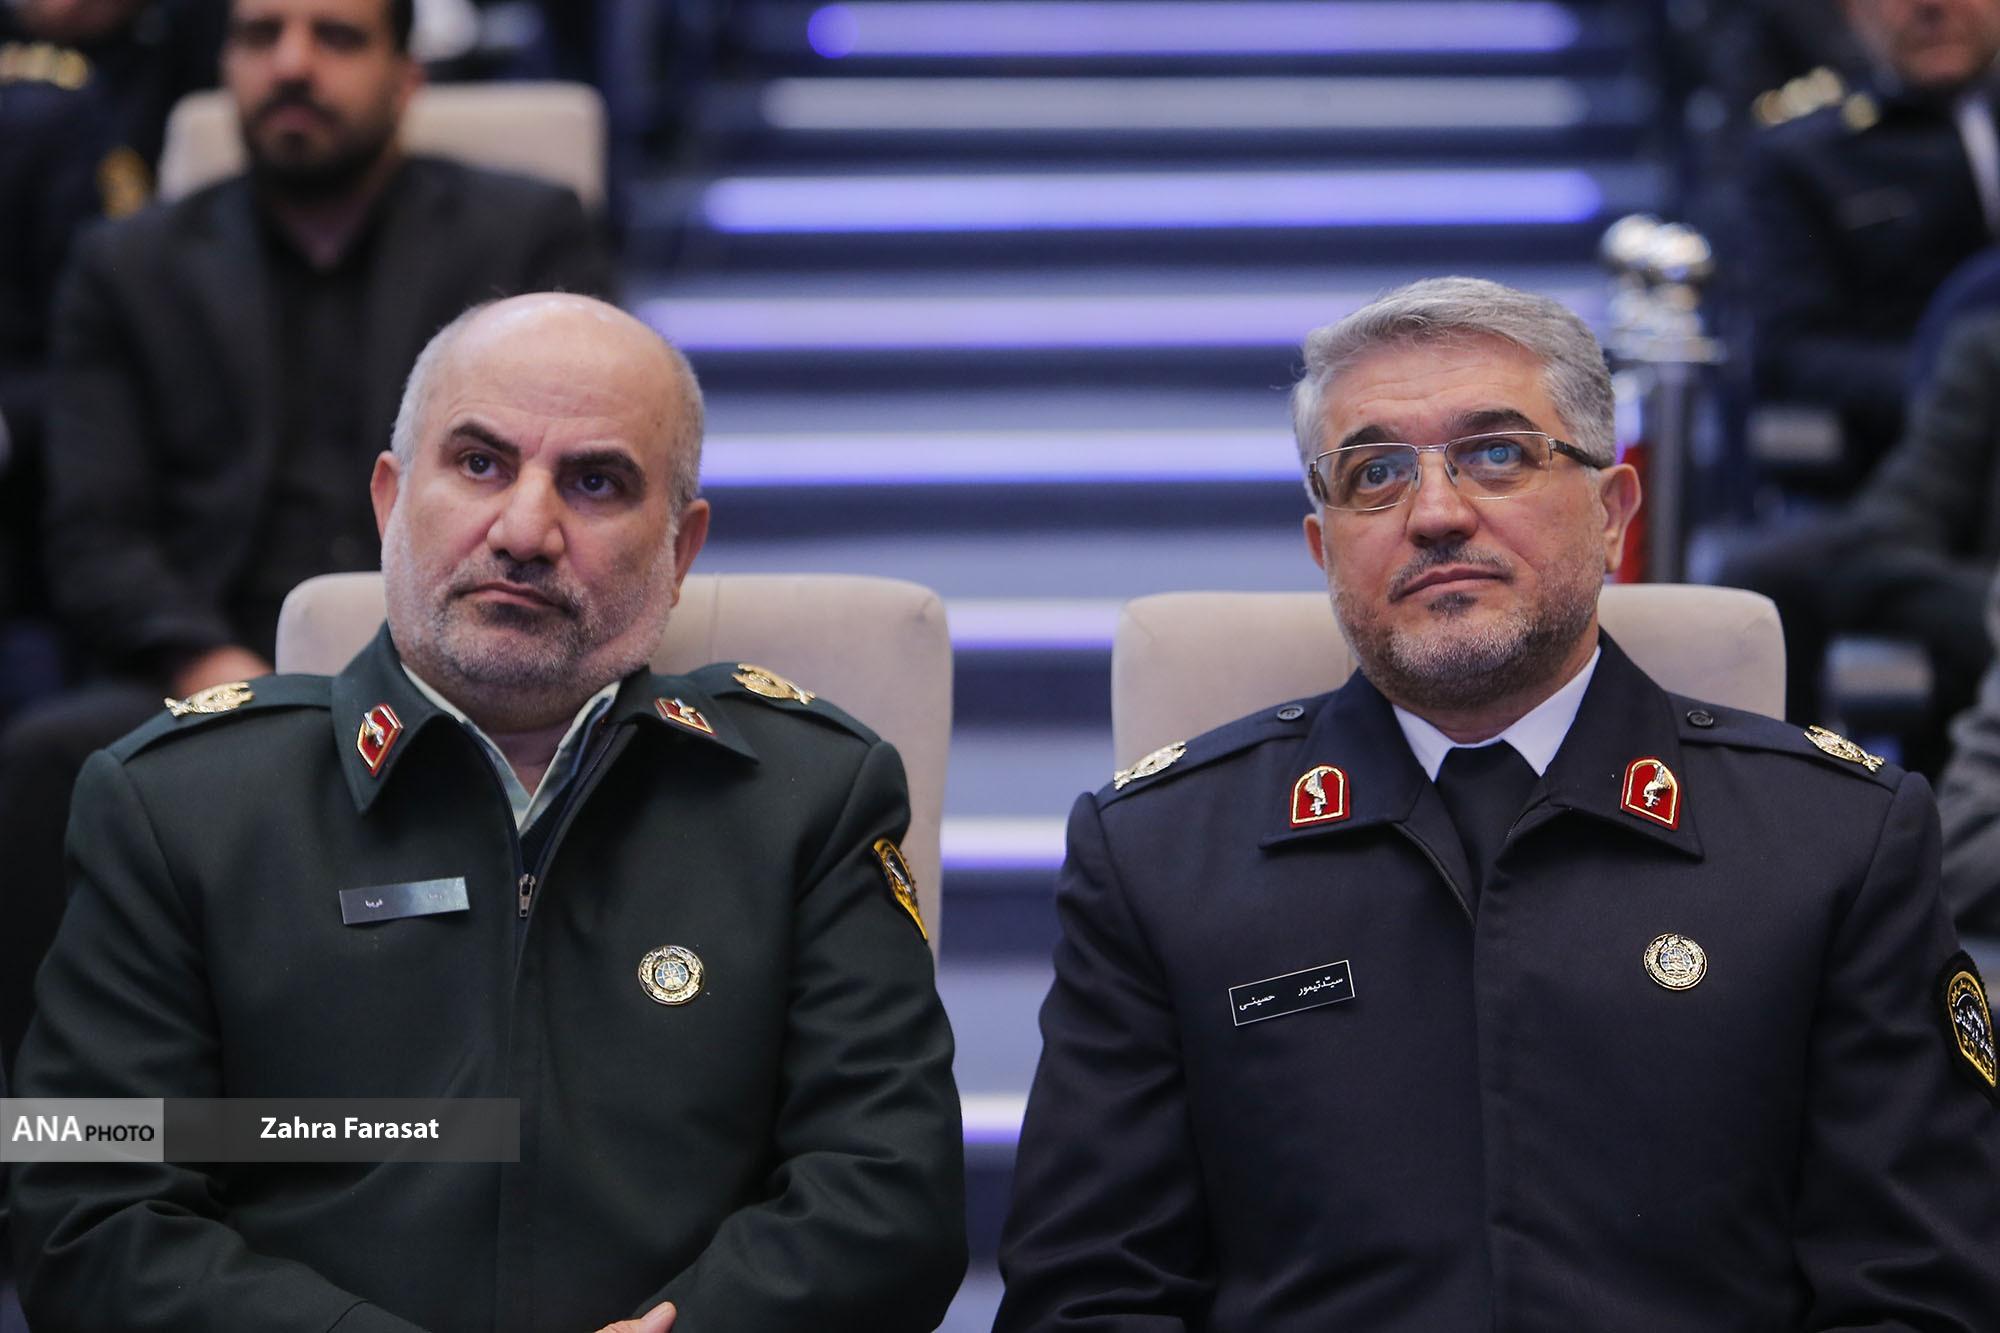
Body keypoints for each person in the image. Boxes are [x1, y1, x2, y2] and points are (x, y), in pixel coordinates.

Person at [996, 277, 2000, 1330]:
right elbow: (1089, 1294)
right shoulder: (1158, 854)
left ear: (1612, 514)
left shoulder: (1833, 839)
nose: (1435, 513)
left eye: (1496, 454)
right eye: (1375, 473)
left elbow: (1918, 1289)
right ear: (1324, 550)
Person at [5, 293, 968, 1332]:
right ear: (389, 499)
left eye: (595, 482)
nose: (524, 530)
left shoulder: (806, 798)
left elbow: (892, 1196)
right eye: (479, 464)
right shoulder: (176, 805)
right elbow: (82, 1200)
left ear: (680, 548)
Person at [0, 0, 612, 1071]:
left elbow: (578, 488)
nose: (291, 64)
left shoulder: (519, 238)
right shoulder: (131, 264)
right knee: (50, 757)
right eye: (258, 35)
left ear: (406, 77)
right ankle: (71, 1144)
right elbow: (96, 536)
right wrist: (229, 678)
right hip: (209, 669)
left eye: (335, 36)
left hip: (455, 666)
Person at [1717, 308, 2000, 773]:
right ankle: (1781, 796)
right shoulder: (1987, 348)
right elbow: (1900, 517)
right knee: (1763, 579)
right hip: (1972, 610)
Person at [1738, 0, 2000, 477]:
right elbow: (1790, 353)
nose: (1931, 7)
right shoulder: (1805, 157)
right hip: (1895, 467)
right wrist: (1961, 387)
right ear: (1854, 12)